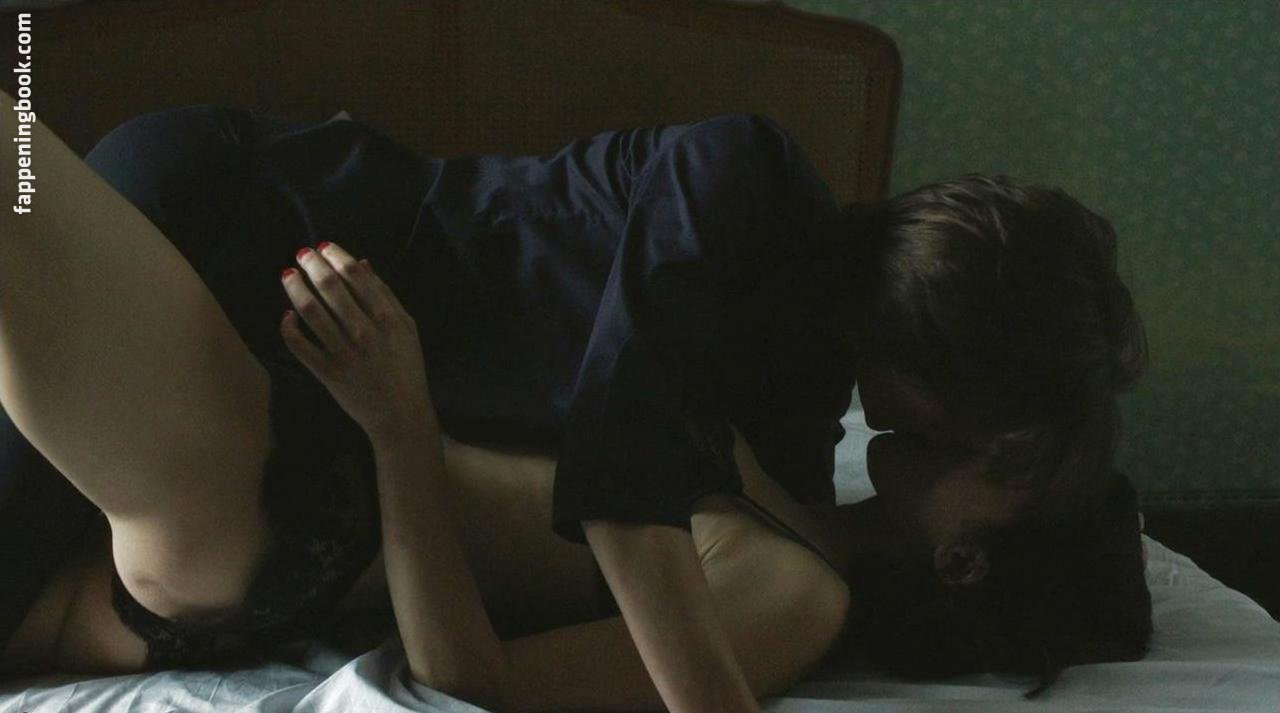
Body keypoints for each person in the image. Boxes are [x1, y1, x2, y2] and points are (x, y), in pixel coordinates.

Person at [0, 90, 1151, 709]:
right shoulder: (744, 185)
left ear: (967, 560)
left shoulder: (793, 453)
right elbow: (620, 462)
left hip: (283, 422)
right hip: (261, 238)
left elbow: (488, 659)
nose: (944, 431)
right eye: (987, 423)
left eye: (1002, 450)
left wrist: (397, 430)